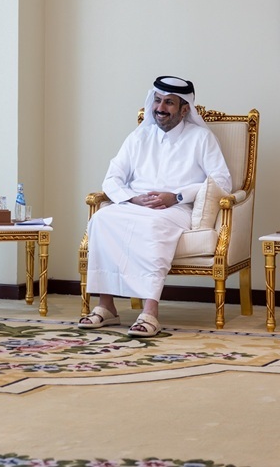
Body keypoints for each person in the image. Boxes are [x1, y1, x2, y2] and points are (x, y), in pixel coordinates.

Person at [78, 75, 231, 337]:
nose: (160, 108)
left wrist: (178, 196)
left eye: (169, 103)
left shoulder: (201, 138)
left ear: (185, 109)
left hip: (175, 210)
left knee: (154, 225)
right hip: (134, 203)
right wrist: (132, 197)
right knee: (101, 219)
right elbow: (112, 178)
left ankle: (150, 311)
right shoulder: (140, 136)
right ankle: (106, 306)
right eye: (157, 101)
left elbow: (223, 182)